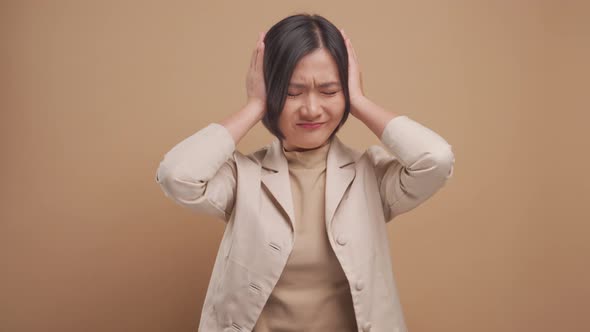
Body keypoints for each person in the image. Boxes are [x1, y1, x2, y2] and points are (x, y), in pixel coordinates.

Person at [155, 13, 455, 332]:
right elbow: (177, 176)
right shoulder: (243, 176)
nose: (311, 109)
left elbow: (435, 160)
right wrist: (255, 105)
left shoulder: (372, 175)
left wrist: (361, 102)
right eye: (291, 92)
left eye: (328, 91)